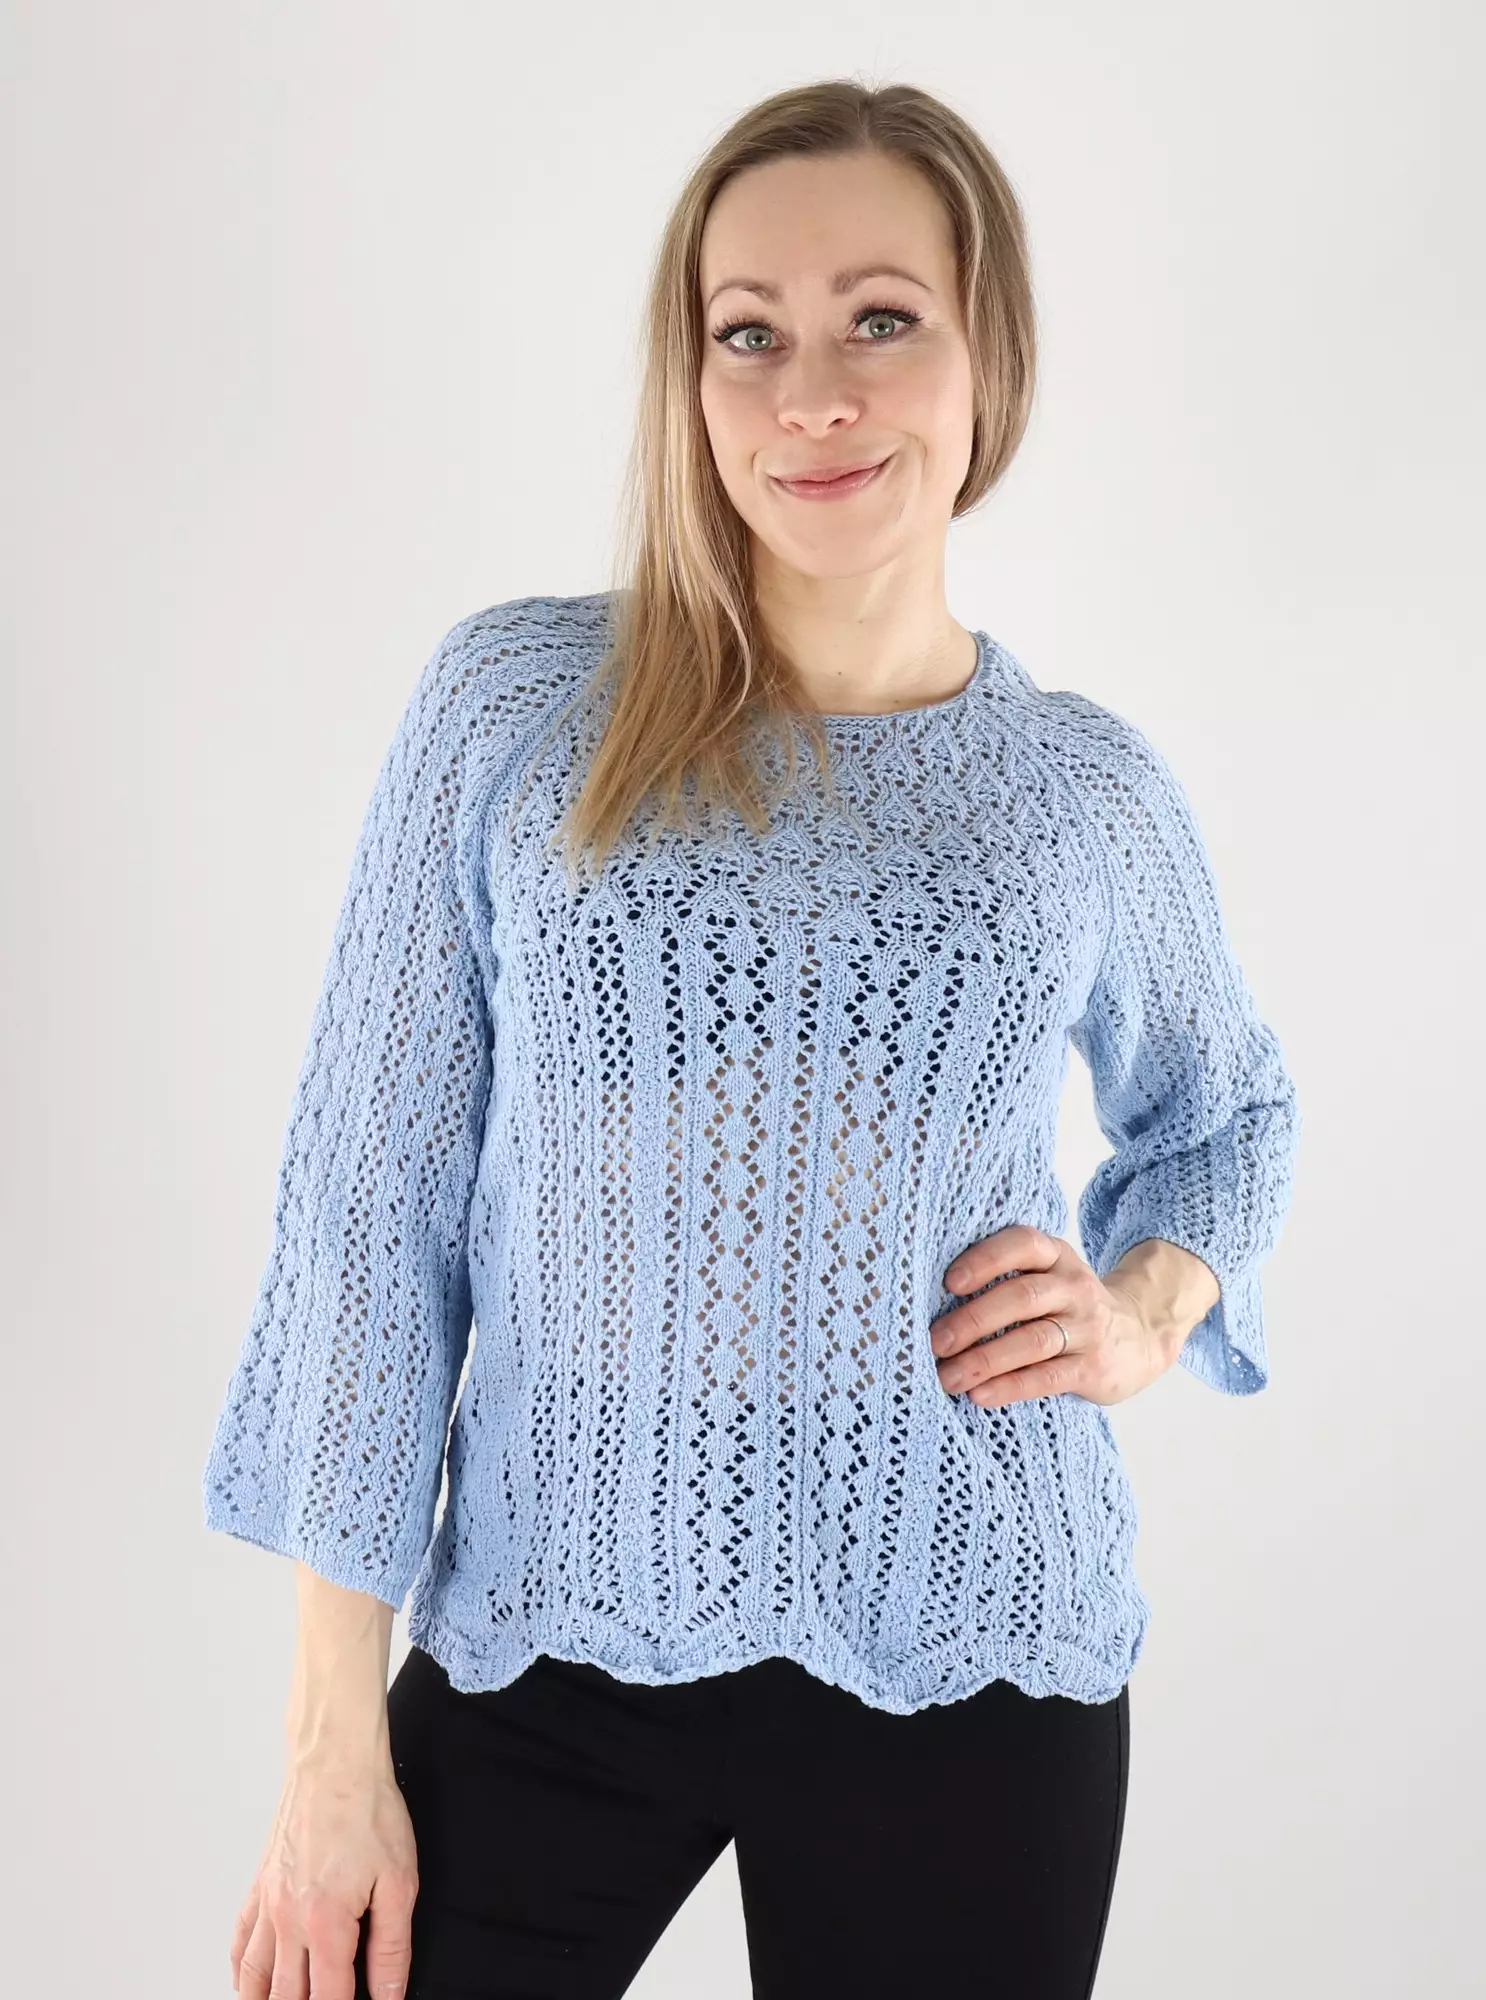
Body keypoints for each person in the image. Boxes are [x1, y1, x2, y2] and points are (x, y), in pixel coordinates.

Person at [204, 78, 1300, 2000]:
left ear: (987, 356)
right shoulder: (518, 710)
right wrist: (328, 1750)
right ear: (688, 377)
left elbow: (1229, 1112)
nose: (813, 396)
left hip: (970, 1647)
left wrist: (1143, 1306)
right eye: (748, 334)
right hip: (547, 1646)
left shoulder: (1078, 795)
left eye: (881, 319)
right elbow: (370, 1221)